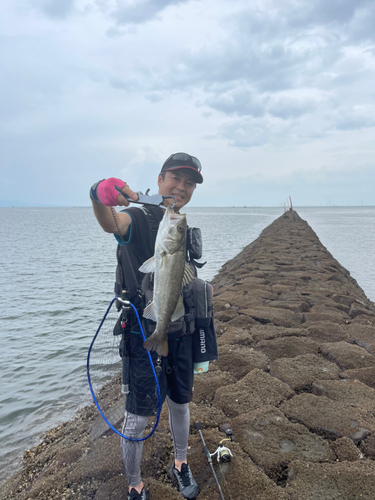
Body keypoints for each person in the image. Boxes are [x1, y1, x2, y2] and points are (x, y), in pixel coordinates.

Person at [90, 153, 207, 500]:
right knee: (138, 416)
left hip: (180, 328)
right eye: (175, 179)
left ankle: (181, 464)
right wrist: (98, 194)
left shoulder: (176, 222)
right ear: (159, 180)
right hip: (144, 330)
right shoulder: (141, 216)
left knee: (180, 404)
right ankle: (134, 484)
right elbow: (114, 224)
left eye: (189, 183)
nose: (181, 187)